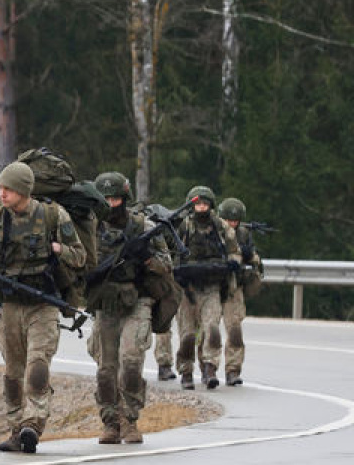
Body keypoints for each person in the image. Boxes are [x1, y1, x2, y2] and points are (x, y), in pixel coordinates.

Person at [0, 162, 87, 454]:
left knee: (37, 367)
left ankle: (32, 425)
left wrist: (58, 250)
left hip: (43, 304)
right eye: (0, 188)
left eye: (8, 189)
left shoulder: (52, 215)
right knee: (13, 374)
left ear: (23, 190)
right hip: (10, 304)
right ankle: (15, 429)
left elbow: (80, 256)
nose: (2, 194)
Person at [85, 172, 173, 445]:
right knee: (106, 369)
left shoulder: (143, 226)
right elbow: (79, 263)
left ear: (125, 198)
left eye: (116, 198)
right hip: (105, 303)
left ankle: (130, 419)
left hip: (138, 300)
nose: (112, 204)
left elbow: (166, 264)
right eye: (106, 198)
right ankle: (110, 422)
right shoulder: (91, 229)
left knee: (132, 360)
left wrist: (145, 257)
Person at [173, 186, 240, 390]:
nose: (201, 208)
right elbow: (170, 253)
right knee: (187, 334)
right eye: (197, 204)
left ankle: (209, 367)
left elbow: (234, 251)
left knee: (212, 329)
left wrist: (232, 262)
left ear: (211, 205)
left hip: (212, 287)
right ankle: (185, 371)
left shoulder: (221, 227)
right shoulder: (183, 227)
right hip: (187, 288)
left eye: (205, 204)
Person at [213, 197, 264, 386]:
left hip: (234, 287)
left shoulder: (243, 233)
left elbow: (255, 260)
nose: (232, 224)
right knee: (210, 330)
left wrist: (250, 255)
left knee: (234, 330)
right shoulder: (212, 231)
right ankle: (208, 366)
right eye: (229, 220)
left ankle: (233, 370)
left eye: (235, 221)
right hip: (212, 286)